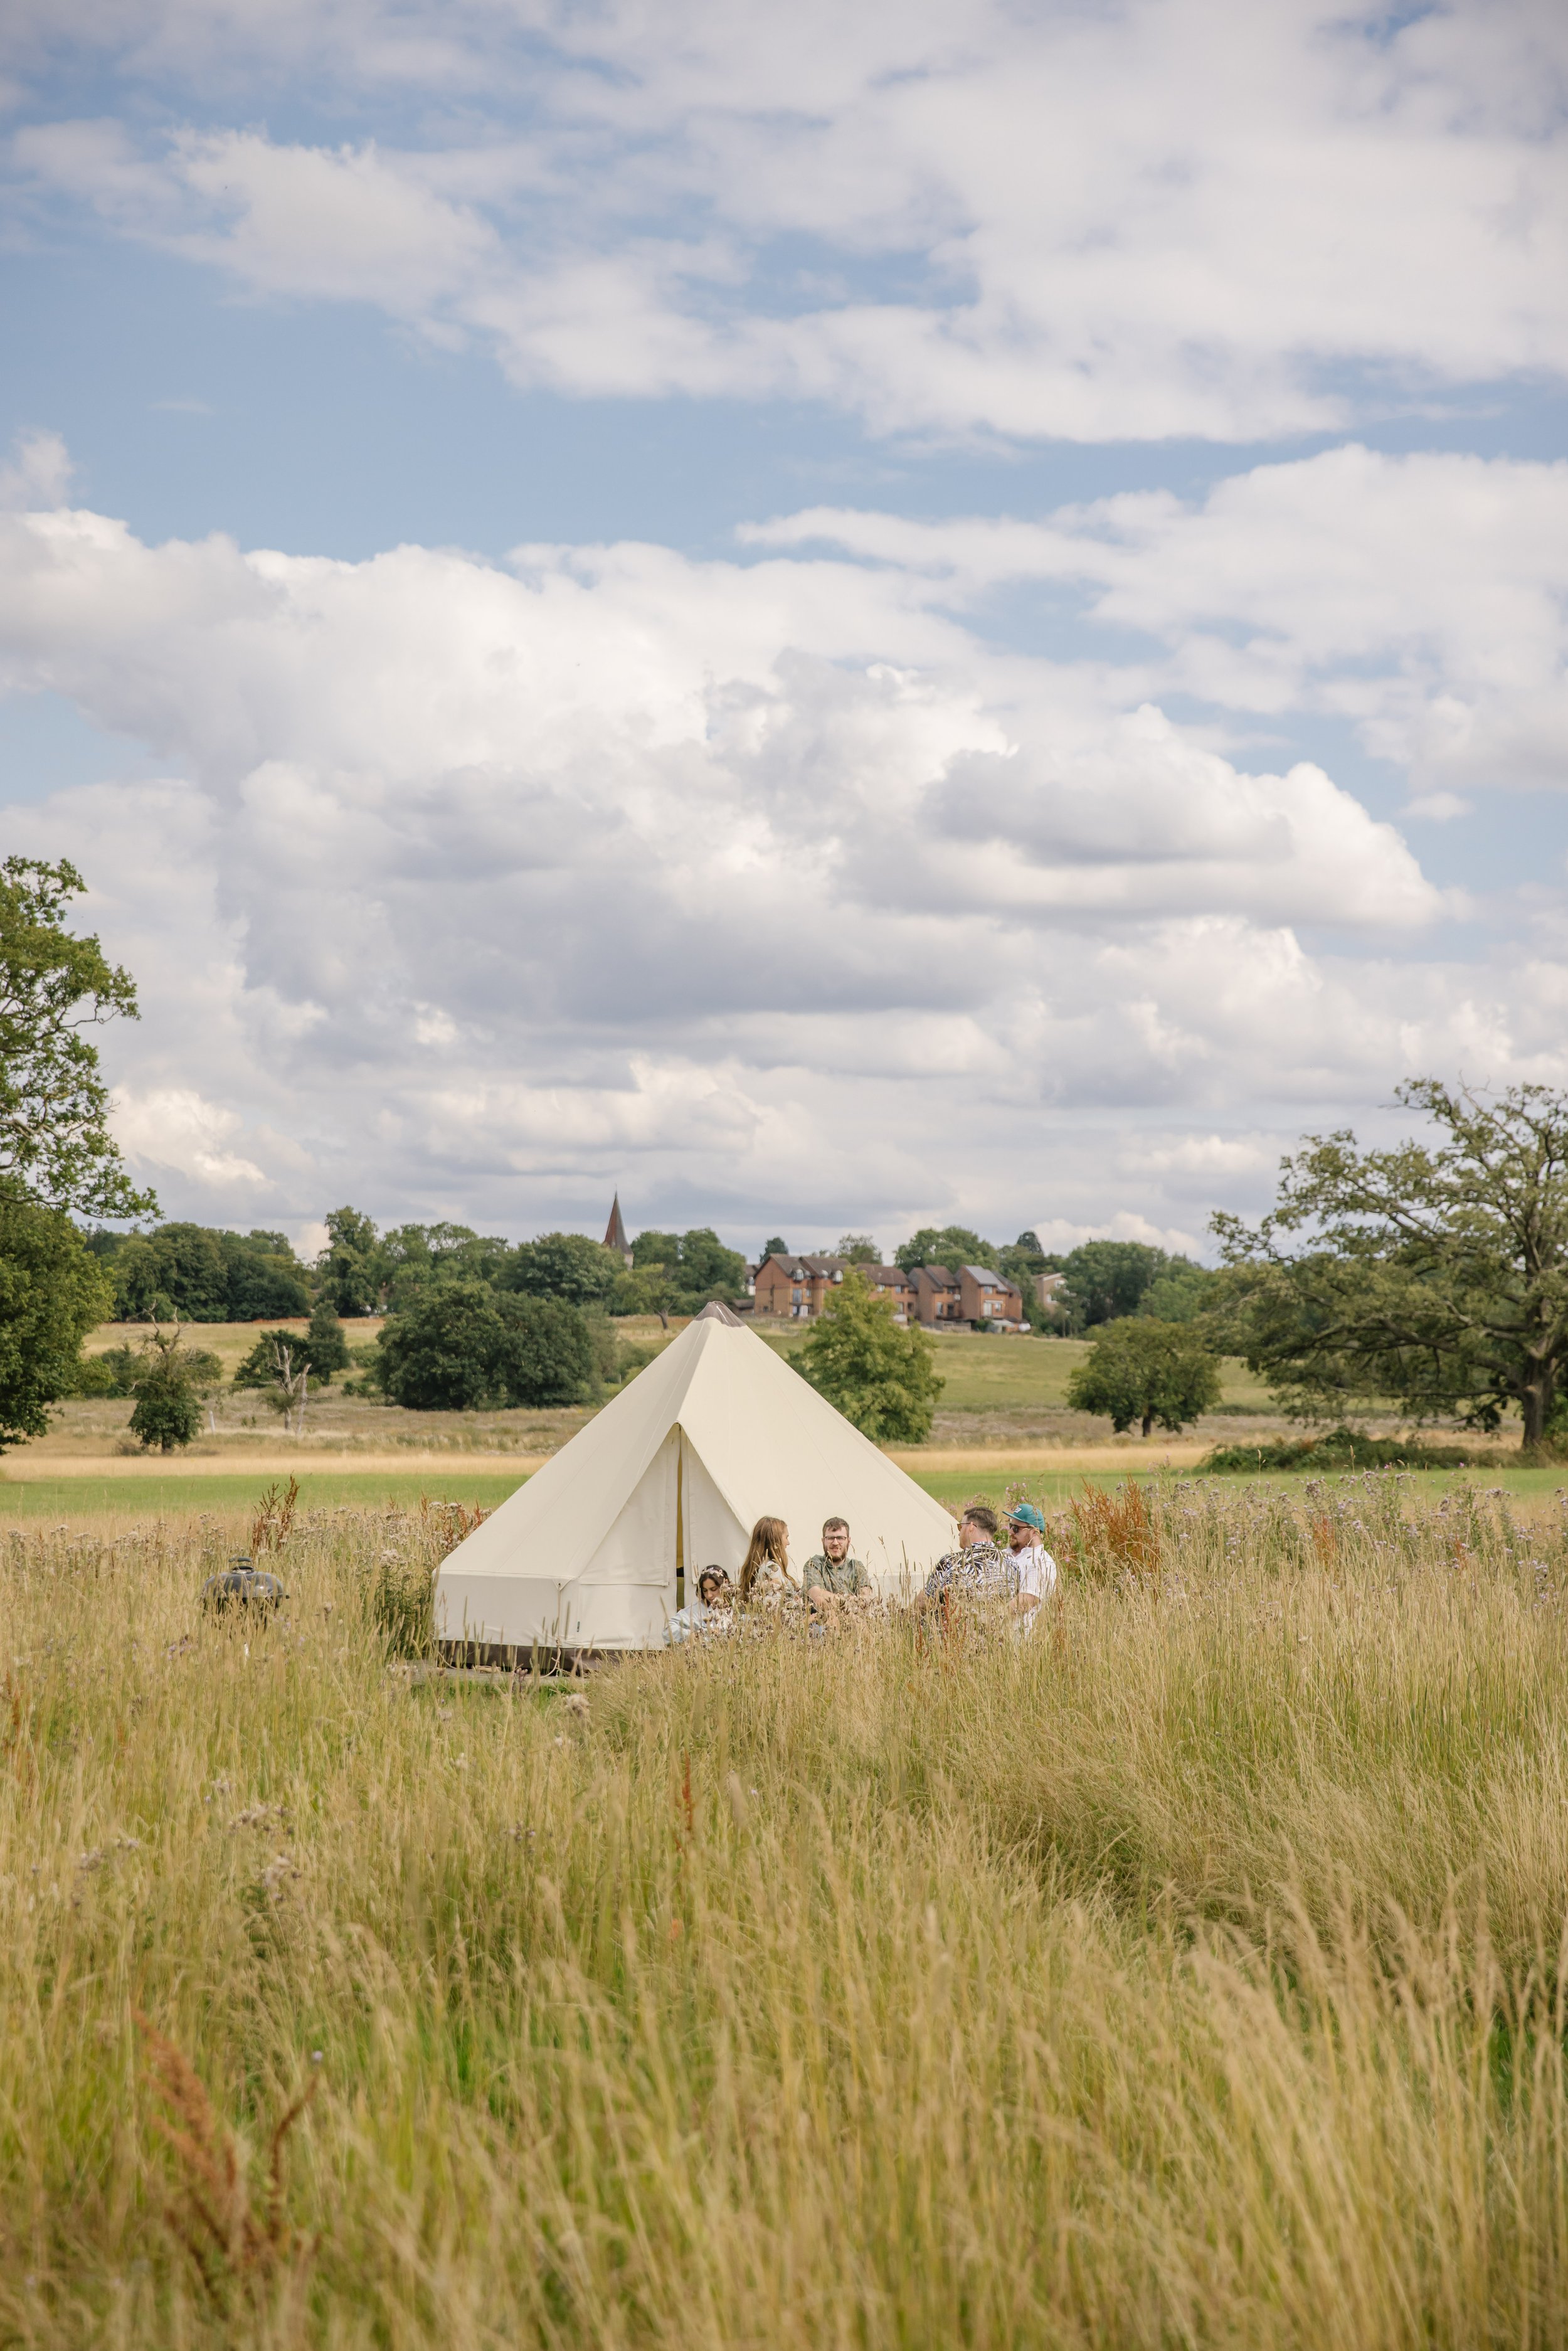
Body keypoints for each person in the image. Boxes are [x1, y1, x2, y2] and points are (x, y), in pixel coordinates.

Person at [920, 1504, 1019, 1608]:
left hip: (956, 1623)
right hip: (998, 1624)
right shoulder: (1011, 1561)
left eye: (961, 1527)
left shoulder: (950, 1561)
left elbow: (923, 1602)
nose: (959, 1533)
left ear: (971, 1527)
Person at [1003, 1504, 1057, 1632]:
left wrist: (991, 1619)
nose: (1010, 1532)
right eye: (1011, 1526)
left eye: (1016, 1529)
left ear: (1035, 1532)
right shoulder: (1003, 1554)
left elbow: (1026, 1601)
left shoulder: (1042, 1562)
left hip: (1019, 1641)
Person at [802, 1517, 869, 1615]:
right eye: (830, 1538)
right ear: (823, 1541)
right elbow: (817, 1598)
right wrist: (853, 1601)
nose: (835, 1543)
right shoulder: (814, 1564)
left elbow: (866, 1601)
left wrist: (830, 1599)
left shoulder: (857, 1567)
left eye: (840, 1538)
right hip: (823, 1625)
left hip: (855, 1624)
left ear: (849, 1541)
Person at [738, 1516, 797, 1607]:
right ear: (776, 1541)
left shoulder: (755, 1568)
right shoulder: (772, 1569)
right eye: (786, 1537)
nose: (788, 1543)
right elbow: (775, 1610)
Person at [665, 1566, 733, 1645]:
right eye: (705, 1591)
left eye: (713, 1589)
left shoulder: (740, 1608)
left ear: (726, 1583)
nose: (709, 1595)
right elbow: (668, 1631)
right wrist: (693, 1635)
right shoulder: (697, 1610)